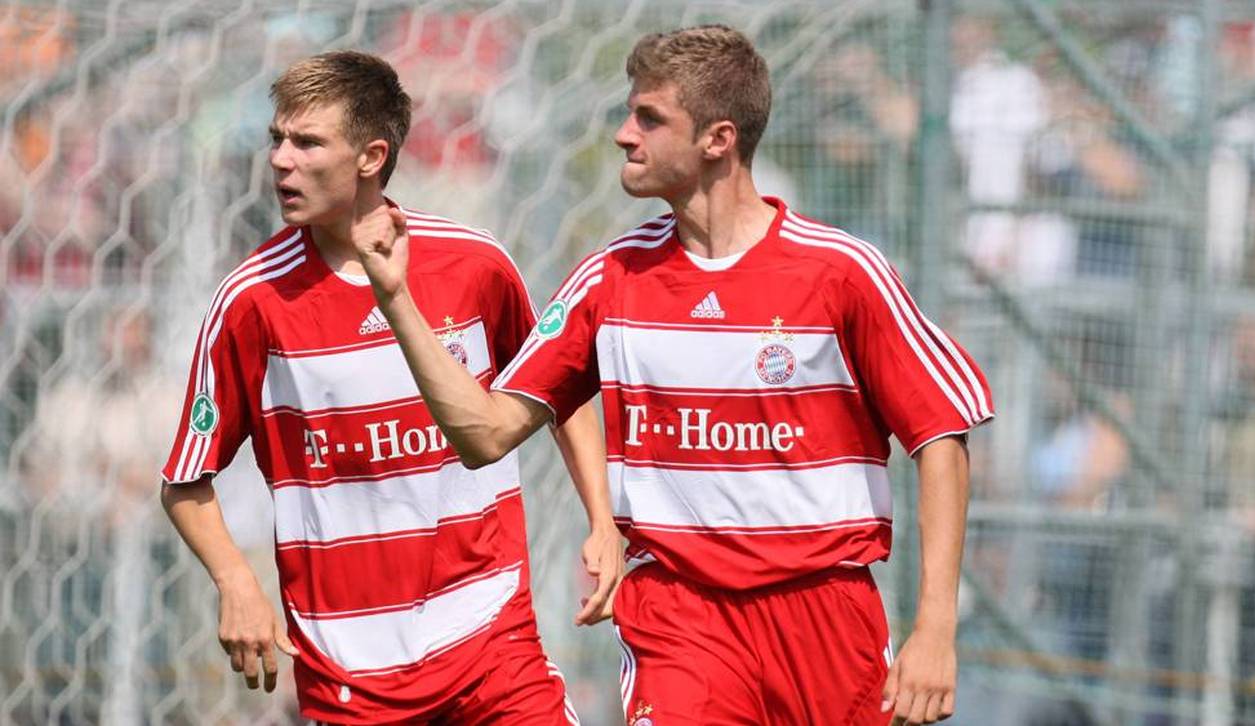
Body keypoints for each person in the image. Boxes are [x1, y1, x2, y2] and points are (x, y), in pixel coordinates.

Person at [354, 27, 994, 725]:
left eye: (649, 119)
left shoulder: (840, 272)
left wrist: (935, 631)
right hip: (679, 618)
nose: (625, 135)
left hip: (827, 617)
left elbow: (941, 436)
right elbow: (486, 433)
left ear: (718, 139)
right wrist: (396, 299)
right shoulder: (611, 278)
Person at [159, 50, 618, 725]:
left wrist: (602, 520)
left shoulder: (474, 265)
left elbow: (558, 390)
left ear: (371, 157)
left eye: (307, 141)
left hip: (491, 644)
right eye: (276, 139)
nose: (281, 160)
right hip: (352, 672)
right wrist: (235, 579)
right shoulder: (251, 301)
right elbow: (185, 479)